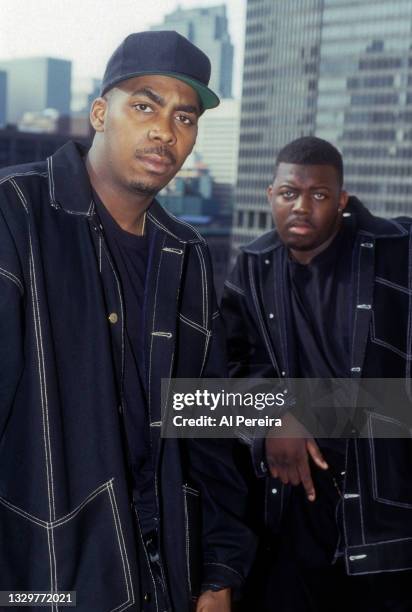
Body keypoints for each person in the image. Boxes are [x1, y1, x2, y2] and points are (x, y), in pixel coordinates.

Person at [0, 31, 255, 612]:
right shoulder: (15, 214)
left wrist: (218, 571)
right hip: (43, 572)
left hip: (160, 570)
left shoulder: (187, 253)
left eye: (184, 116)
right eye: (144, 104)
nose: (165, 129)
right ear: (99, 112)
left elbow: (206, 420)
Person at [221, 136, 412, 611]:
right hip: (288, 513)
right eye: (289, 193)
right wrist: (271, 414)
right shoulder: (250, 267)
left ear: (342, 201)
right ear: (270, 195)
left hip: (385, 519)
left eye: (319, 195)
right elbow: (217, 377)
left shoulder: (398, 253)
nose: (301, 207)